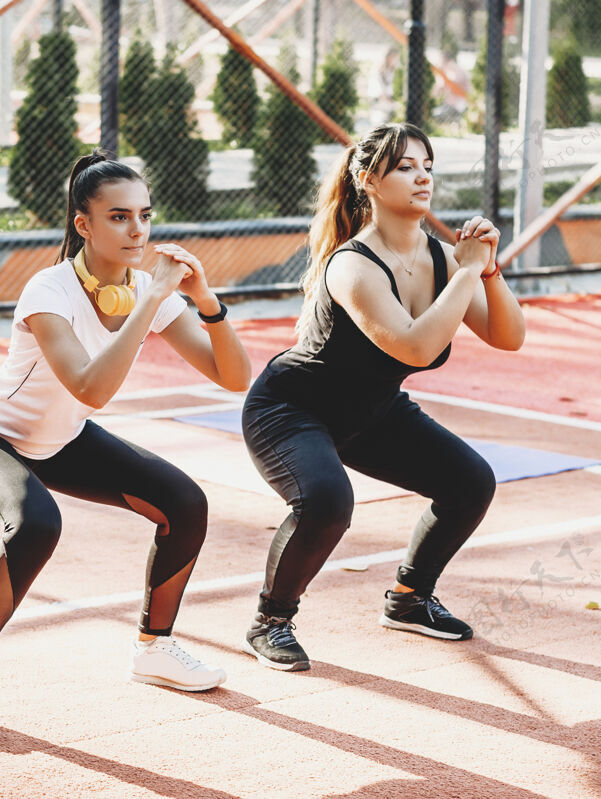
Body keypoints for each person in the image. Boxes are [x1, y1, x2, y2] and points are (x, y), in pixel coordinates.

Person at [0, 151, 251, 735]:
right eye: (119, 217)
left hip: (61, 439)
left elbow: (234, 377)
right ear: (84, 224)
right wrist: (153, 300)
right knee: (35, 524)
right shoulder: (48, 289)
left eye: (145, 216)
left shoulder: (139, 290)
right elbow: (90, 386)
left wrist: (206, 303)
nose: (138, 231)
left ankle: (154, 648)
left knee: (184, 503)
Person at [240, 123, 526, 671]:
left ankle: (409, 599)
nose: (422, 177)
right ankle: (270, 621)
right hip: (291, 410)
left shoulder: (444, 259)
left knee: (470, 482)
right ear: (370, 181)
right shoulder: (352, 264)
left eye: (428, 166)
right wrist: (465, 271)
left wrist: (486, 271)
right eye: (405, 167)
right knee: (326, 504)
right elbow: (416, 347)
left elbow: (509, 336)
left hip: (370, 411)